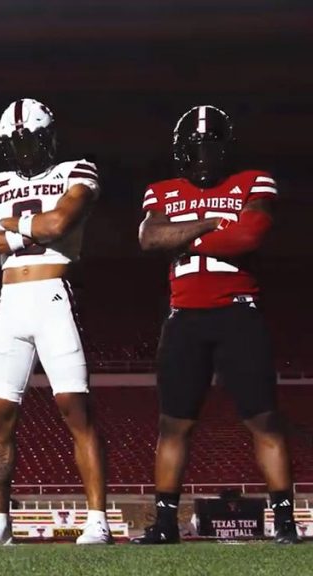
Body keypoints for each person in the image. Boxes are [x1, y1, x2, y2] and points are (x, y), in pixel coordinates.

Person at [132, 105, 300, 545]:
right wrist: (211, 221)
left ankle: (284, 522)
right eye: (196, 149)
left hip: (238, 313)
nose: (204, 157)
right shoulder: (162, 191)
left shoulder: (253, 182)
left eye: (212, 148)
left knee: (264, 420)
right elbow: (150, 239)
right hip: (184, 317)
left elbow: (250, 235)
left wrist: (184, 232)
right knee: (174, 424)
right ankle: (165, 524)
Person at [0, 98, 110, 545]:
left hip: (53, 294)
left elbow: (61, 223)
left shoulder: (77, 171)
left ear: (48, 139)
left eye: (31, 142)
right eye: (16, 144)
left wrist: (7, 227)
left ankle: (98, 519)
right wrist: (30, 225)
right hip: (9, 301)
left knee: (75, 409)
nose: (24, 152)